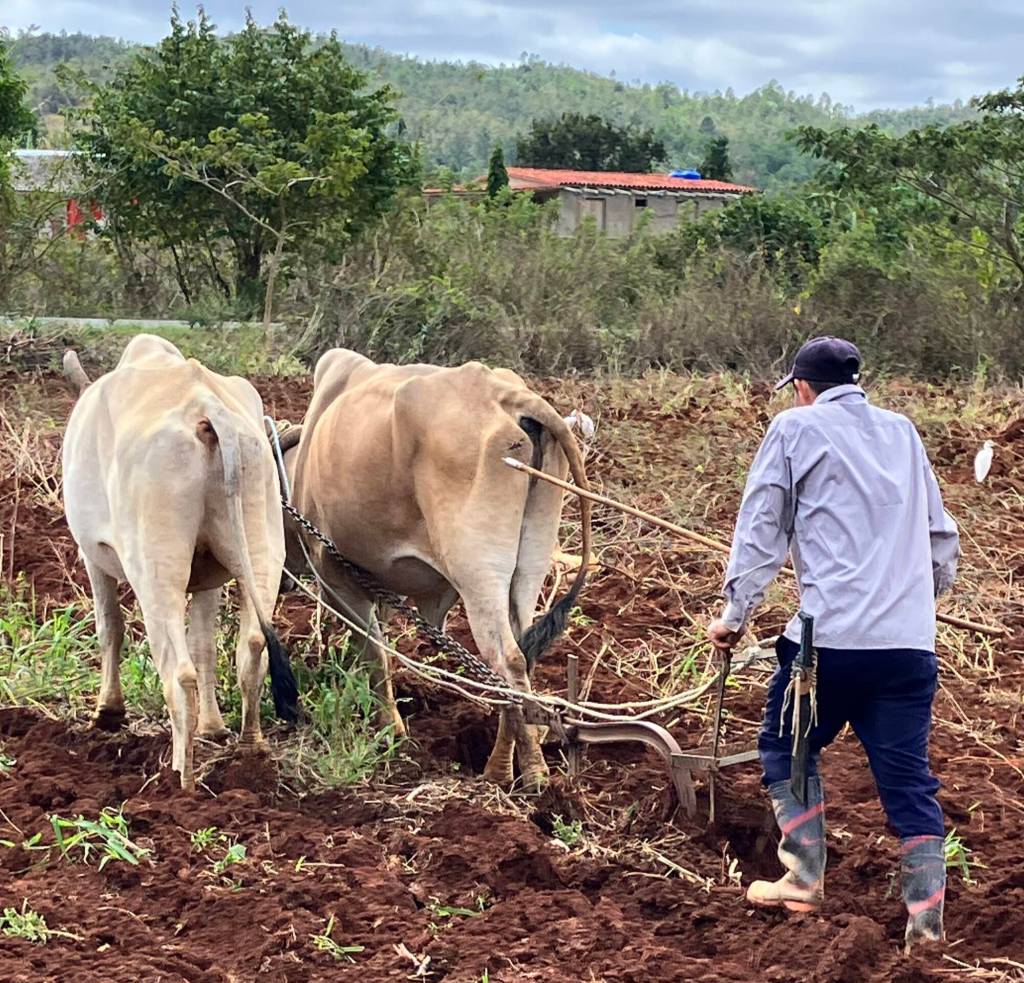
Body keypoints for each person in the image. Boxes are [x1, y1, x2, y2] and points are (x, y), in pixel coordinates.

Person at [706, 336, 959, 950]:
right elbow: (940, 536)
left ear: (801, 387)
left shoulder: (794, 429)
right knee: (908, 781)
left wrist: (734, 612)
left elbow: (763, 525)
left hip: (829, 646)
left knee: (786, 746)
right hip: (908, 648)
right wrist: (916, 606)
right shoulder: (902, 431)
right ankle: (925, 927)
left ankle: (800, 881)